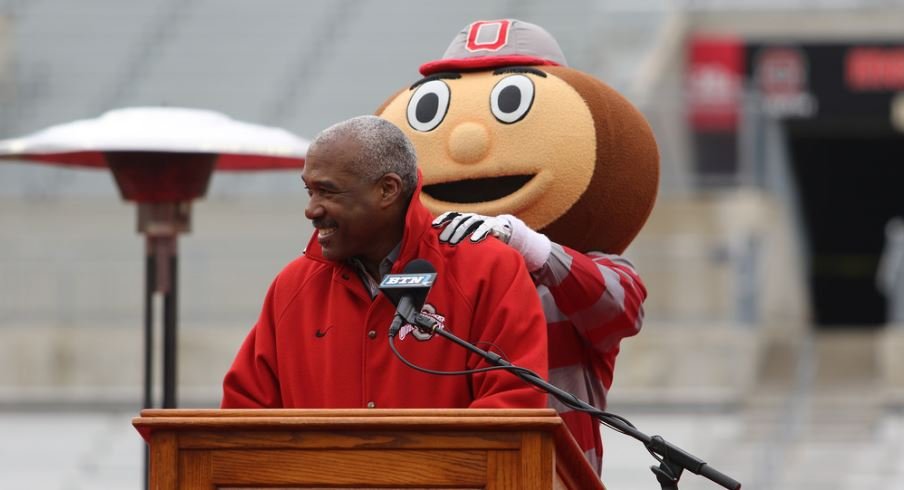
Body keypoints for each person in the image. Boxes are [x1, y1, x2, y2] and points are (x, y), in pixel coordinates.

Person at [375, 19, 657, 472]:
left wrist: (530, 246)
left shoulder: (584, 268)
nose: (468, 141)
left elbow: (621, 308)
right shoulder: (417, 269)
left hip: (549, 474)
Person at [221, 115, 548, 410]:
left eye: (328, 192)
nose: (312, 209)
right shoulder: (292, 286)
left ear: (387, 190)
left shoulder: (488, 270)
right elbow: (243, 417)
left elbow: (513, 406)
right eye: (310, 192)